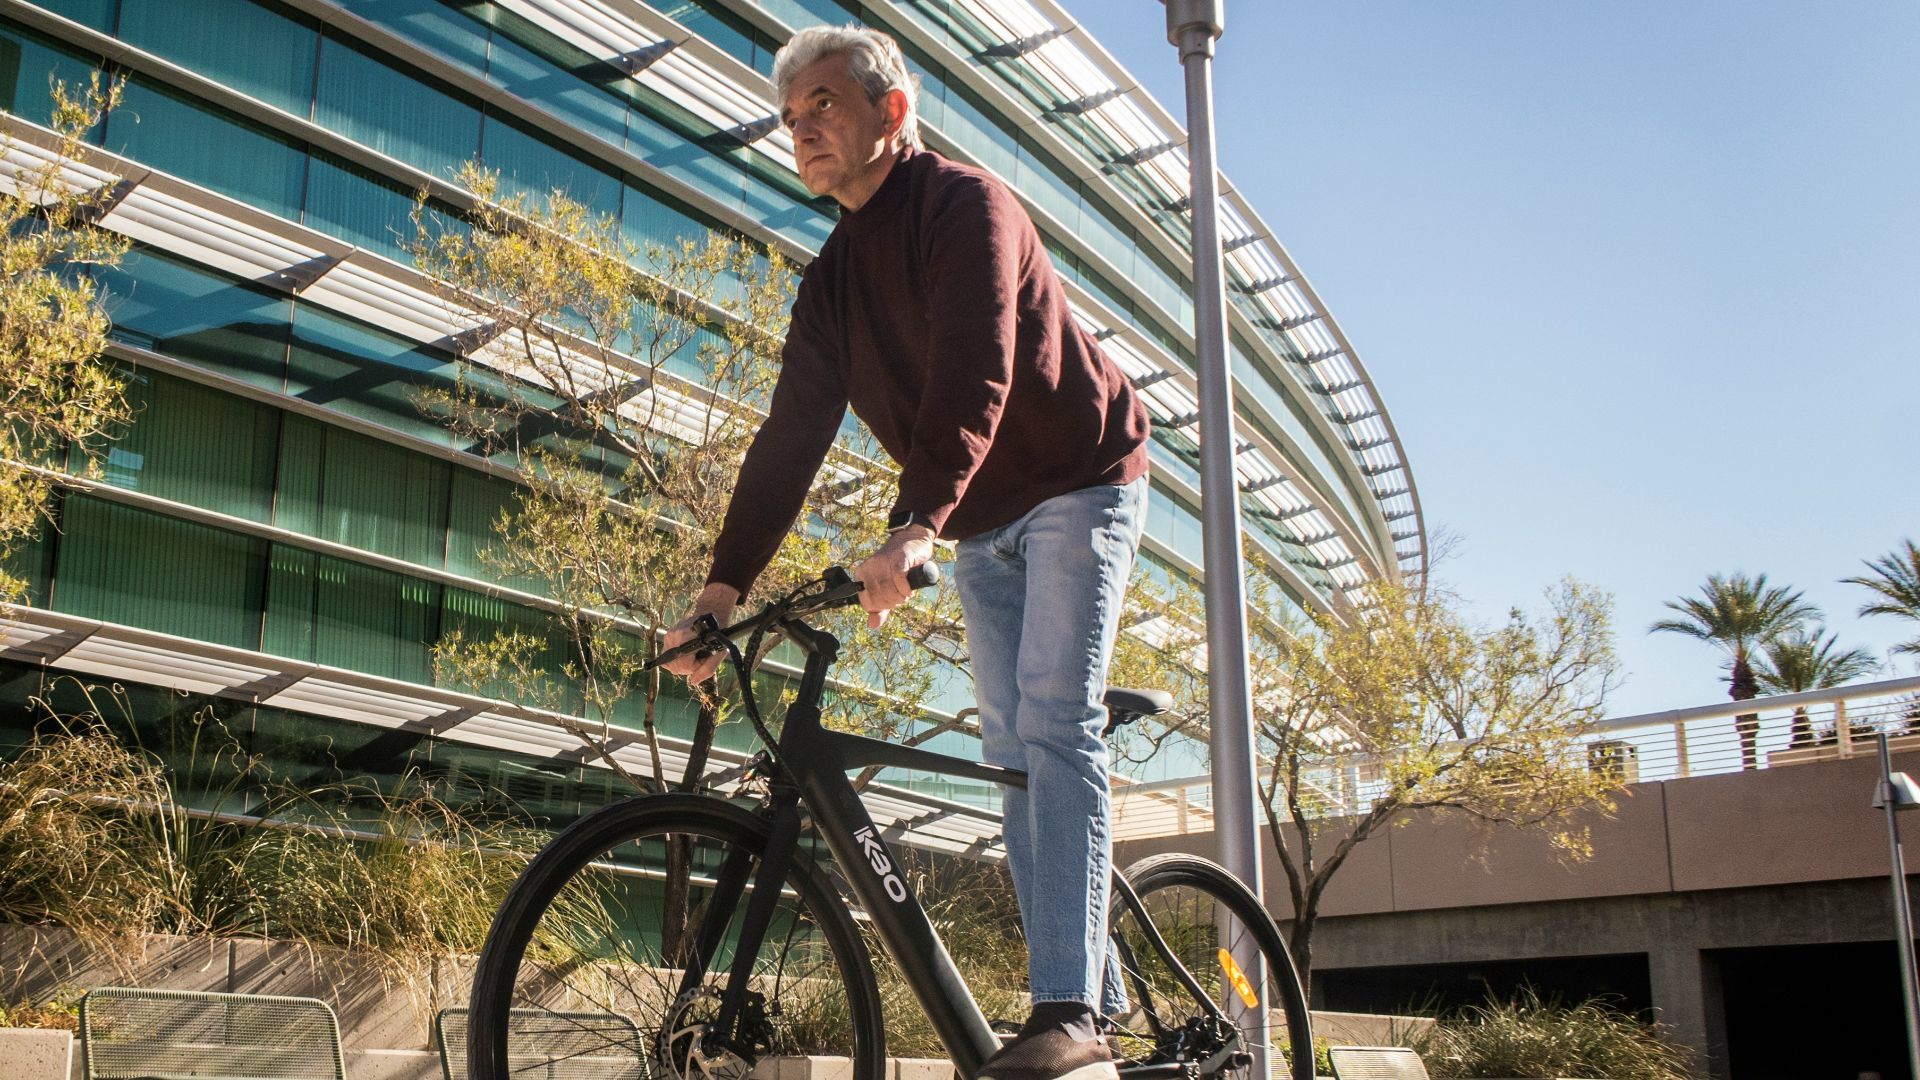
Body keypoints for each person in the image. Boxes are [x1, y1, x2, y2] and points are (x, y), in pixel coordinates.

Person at [661, 24, 1149, 1080]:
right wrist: (718, 592)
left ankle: (1066, 1008)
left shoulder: (966, 206)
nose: (802, 131)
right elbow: (789, 436)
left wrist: (917, 521)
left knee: (1054, 720)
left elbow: (979, 365)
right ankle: (1098, 1007)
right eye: (790, 118)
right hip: (979, 520)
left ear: (891, 110)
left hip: (1082, 480)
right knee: (1010, 755)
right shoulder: (831, 282)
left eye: (824, 105)